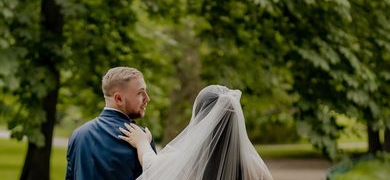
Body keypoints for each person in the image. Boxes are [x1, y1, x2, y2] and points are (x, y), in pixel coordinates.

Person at [119, 85, 273, 180]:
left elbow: (151, 165)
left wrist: (141, 143)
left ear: (200, 116)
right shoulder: (254, 166)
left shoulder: (184, 162)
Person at [65, 66, 155, 180]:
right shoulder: (140, 138)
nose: (147, 98)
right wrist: (144, 144)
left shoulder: (77, 134)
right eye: (140, 93)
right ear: (118, 99)